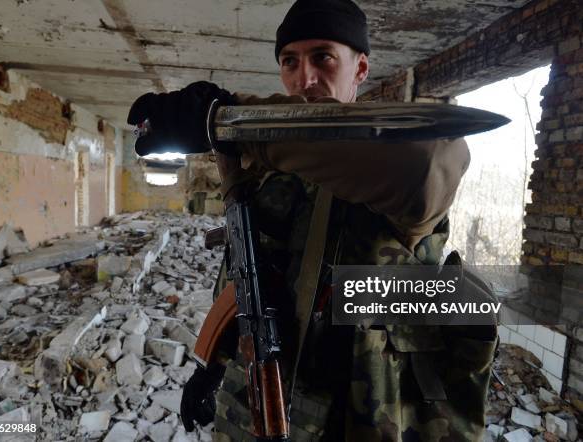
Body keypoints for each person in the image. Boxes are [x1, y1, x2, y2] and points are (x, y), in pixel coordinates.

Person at [128, 1, 499, 440]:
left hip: (356, 418)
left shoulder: (396, 166)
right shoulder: (272, 173)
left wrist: (233, 119)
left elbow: (430, 163)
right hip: (257, 404)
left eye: (323, 57)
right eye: (290, 62)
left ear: (360, 69)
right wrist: (213, 366)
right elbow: (245, 281)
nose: (304, 80)